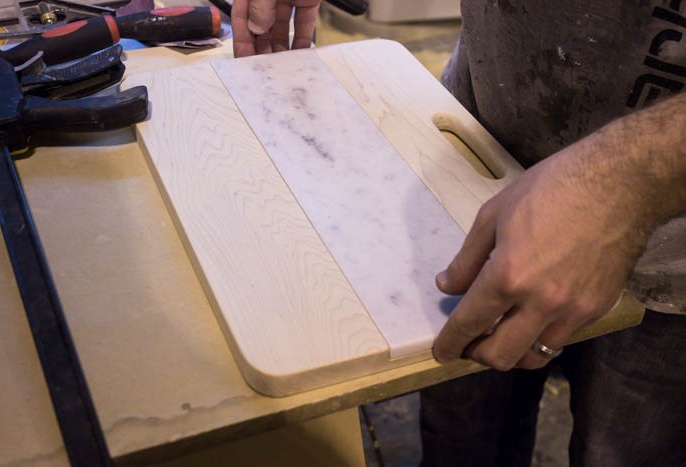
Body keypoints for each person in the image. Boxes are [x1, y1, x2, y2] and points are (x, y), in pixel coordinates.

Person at [231, 1, 686, 465]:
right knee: (460, 435)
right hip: (471, 155)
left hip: (671, 254)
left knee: (627, 451)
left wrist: (621, 184)